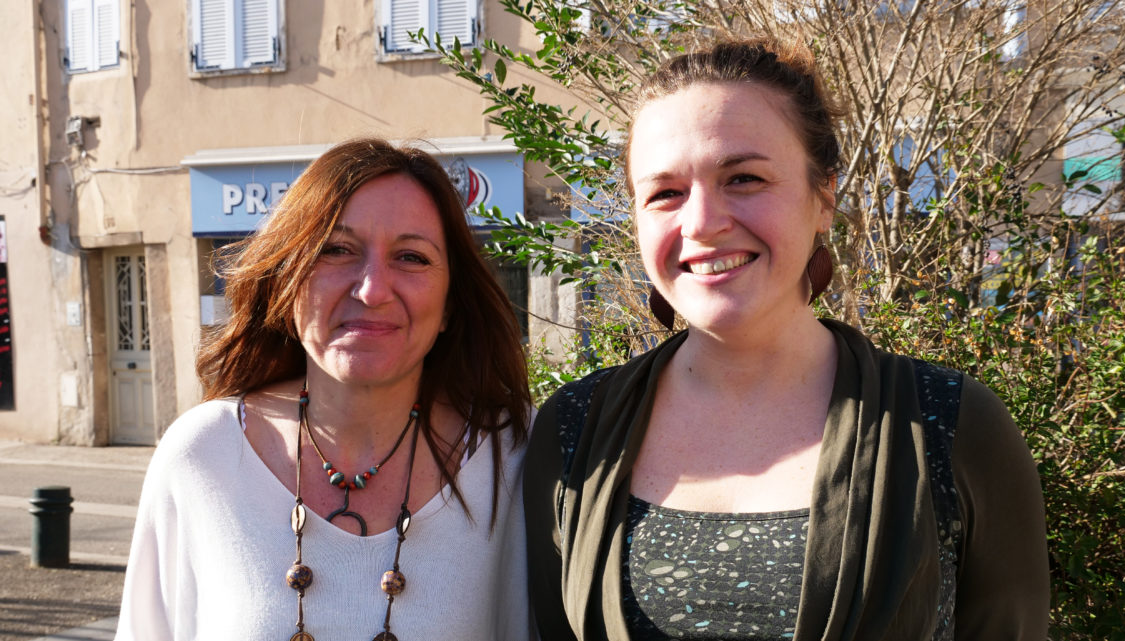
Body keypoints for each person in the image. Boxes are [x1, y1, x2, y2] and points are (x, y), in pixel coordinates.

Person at [525, 39, 1049, 641]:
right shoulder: (572, 431)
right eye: (665, 193)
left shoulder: (949, 423)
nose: (700, 222)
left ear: (824, 196)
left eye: (743, 178)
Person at [115, 138, 532, 640]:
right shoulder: (202, 455)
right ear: (287, 281)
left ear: (449, 305)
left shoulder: (511, 455)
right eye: (336, 250)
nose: (372, 290)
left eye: (412, 257)